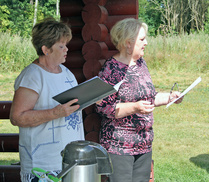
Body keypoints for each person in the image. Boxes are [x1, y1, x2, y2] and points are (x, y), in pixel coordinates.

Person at [95, 18, 183, 182]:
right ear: (128, 43)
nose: (146, 43)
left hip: (144, 144)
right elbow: (103, 107)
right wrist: (134, 107)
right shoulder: (111, 69)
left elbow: (150, 97)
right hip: (120, 148)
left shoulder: (141, 64)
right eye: (142, 39)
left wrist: (170, 97)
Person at [10, 18, 85, 182]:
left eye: (66, 44)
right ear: (46, 49)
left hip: (70, 160)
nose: (67, 49)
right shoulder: (32, 76)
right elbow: (17, 117)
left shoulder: (66, 73)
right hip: (43, 165)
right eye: (61, 45)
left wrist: (91, 97)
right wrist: (54, 113)